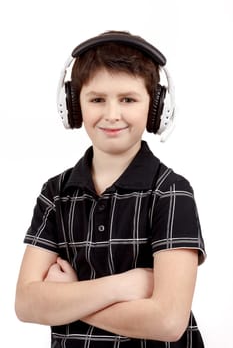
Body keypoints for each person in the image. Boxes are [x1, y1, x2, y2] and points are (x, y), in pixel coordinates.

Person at [15, 31, 206, 347]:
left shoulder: (171, 192)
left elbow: (169, 321)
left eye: (128, 99)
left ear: (155, 108)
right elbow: (25, 303)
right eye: (97, 99)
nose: (112, 114)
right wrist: (121, 286)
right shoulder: (56, 193)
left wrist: (68, 298)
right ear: (74, 106)